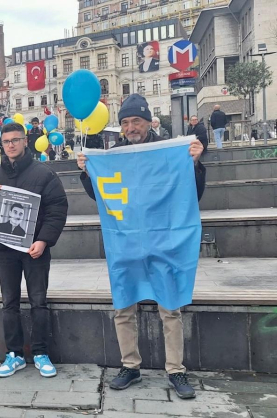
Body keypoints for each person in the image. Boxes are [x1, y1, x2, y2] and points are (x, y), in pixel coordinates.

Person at [76, 93, 205, 399]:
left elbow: (192, 193)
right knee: (123, 306)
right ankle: (130, 366)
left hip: (163, 241)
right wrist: (88, 172)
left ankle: (176, 370)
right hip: (126, 241)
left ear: (149, 122)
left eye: (136, 121)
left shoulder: (171, 152)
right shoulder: (115, 155)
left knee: (170, 308)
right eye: (125, 122)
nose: (130, 127)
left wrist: (195, 163)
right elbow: (102, 196)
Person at [0, 122, 68, 379]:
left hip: (35, 249)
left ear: (25, 141)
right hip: (5, 250)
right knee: (9, 303)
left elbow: (57, 209)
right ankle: (13, 354)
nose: (11, 145)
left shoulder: (44, 174)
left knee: (39, 302)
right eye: (6, 141)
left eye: (15, 140)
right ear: (2, 145)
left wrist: (44, 240)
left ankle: (41, 353)